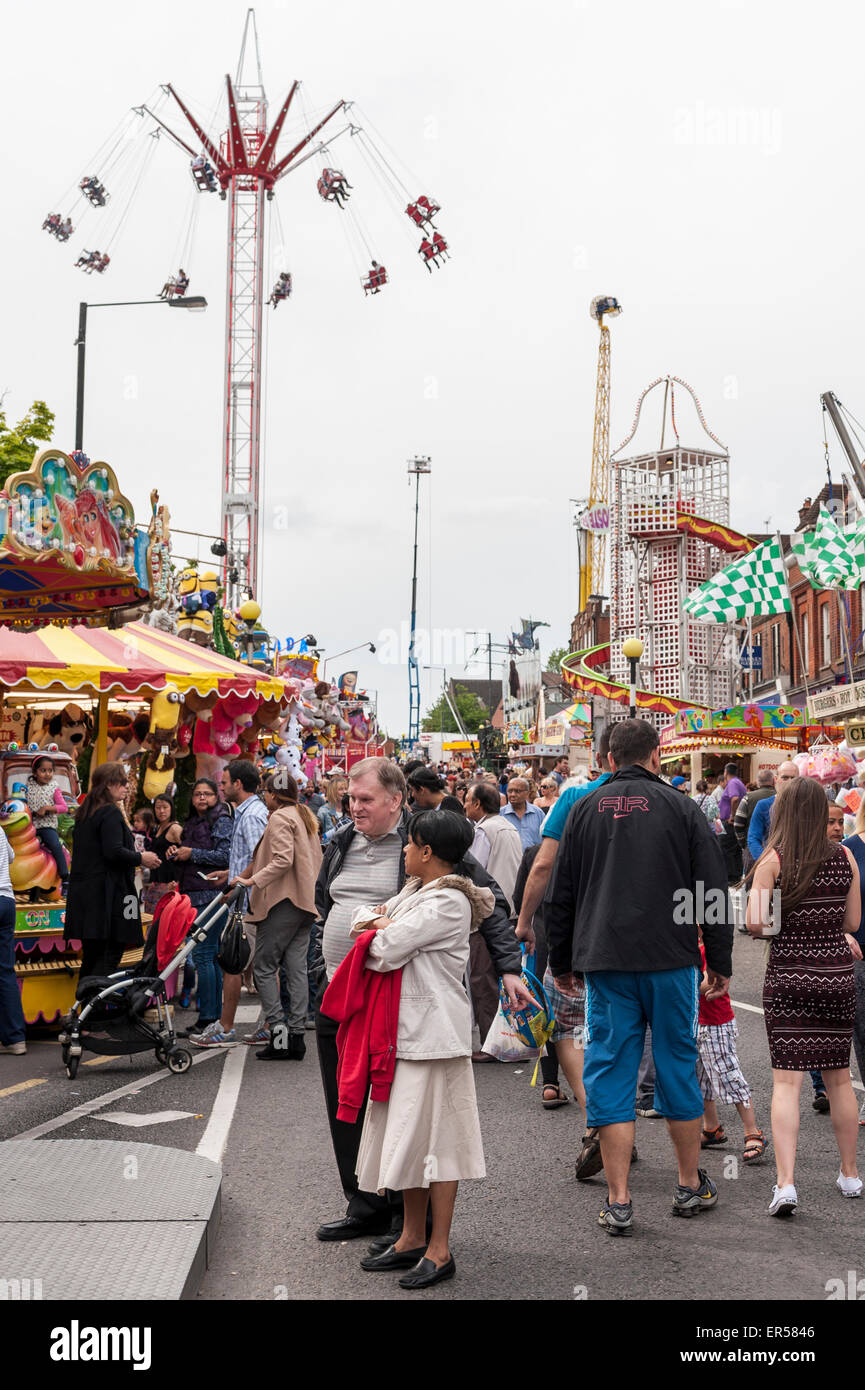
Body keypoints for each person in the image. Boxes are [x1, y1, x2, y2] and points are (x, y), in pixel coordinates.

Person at [313, 757, 528, 1245]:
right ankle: (363, 1202)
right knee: (348, 1106)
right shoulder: (341, 840)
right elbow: (333, 904)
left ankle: (405, 1224)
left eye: (365, 799)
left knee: (401, 1111)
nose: (354, 807)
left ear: (396, 800)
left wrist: (510, 966)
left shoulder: (428, 846)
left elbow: (484, 897)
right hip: (341, 993)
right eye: (350, 797)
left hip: (394, 1007)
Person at [545, 719, 732, 1236]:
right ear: (656, 756)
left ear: (608, 759)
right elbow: (710, 889)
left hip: (605, 961)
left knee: (610, 1068)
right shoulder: (681, 807)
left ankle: (620, 1198)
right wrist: (718, 960)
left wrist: (561, 962)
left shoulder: (582, 809)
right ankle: (688, 1183)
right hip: (671, 960)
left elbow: (561, 894)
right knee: (676, 1063)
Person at [339, 810, 488, 1288]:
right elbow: (362, 922)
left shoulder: (447, 903)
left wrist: (378, 926)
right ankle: (409, 1238)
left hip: (434, 1038)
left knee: (440, 1146)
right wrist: (377, 923)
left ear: (427, 852)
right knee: (407, 1139)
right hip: (404, 1035)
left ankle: (440, 1249)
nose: (402, 850)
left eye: (409, 844)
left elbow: (381, 950)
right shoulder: (415, 893)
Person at [747, 775, 863, 1215]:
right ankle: (850, 1174)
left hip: (789, 975)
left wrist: (783, 912)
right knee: (838, 1078)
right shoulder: (846, 857)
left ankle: (786, 1184)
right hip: (835, 973)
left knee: (786, 1082)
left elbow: (759, 925)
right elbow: (851, 922)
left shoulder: (772, 860)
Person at [233, 773, 323, 1060]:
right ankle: (295, 1037)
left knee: (263, 966)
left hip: (283, 900)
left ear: (273, 794)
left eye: (266, 792)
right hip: (305, 902)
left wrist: (253, 880)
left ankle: (279, 1033)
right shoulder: (303, 814)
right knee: (295, 968)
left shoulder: (280, 818)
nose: (264, 796)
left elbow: (282, 860)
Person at [514, 727, 615, 952]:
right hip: (658, 943)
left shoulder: (573, 797)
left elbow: (544, 865)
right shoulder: (674, 800)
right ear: (655, 757)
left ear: (600, 759)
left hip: (587, 931)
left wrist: (524, 923)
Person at [193, 761, 269, 1048]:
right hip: (246, 897)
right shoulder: (249, 812)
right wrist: (230, 873)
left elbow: (259, 858)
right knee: (259, 965)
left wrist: (237, 883)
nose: (221, 788)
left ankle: (226, 1027)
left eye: (224, 783)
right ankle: (270, 1024)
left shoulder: (251, 817)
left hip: (247, 902)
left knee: (233, 963)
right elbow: (250, 858)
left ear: (238, 784)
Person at [64, 763, 160, 980]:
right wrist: (141, 858)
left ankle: (85, 1008)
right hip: (109, 896)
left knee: (92, 955)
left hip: (87, 896)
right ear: (109, 784)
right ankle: (94, 1007)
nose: (126, 787)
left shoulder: (85, 813)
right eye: (122, 782)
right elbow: (113, 851)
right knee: (109, 955)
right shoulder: (109, 813)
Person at [167, 779, 232, 1037]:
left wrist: (190, 853)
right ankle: (210, 1016)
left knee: (204, 956)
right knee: (207, 957)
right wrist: (177, 852)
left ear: (216, 797)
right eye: (197, 794)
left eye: (207, 794)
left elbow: (225, 856)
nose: (202, 798)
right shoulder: (192, 822)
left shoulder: (221, 820)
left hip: (211, 896)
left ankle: (207, 1018)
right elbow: (190, 853)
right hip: (192, 895)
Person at [696, 935, 766, 1162]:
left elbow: (711, 982)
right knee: (700, 1078)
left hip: (715, 1024)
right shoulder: (686, 947)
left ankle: (752, 1132)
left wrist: (679, 982)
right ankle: (712, 1128)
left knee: (729, 1076)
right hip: (696, 1023)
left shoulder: (709, 949)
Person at [842, 801, 865, 1125]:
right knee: (862, 1029)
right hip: (860, 952)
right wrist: (842, 933)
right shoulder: (849, 849)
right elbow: (833, 898)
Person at [0, 822, 26, 1056]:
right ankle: (15, 1039)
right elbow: (11, 856)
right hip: (7, 901)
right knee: (6, 971)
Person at [26, 755, 69, 895]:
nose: (47, 774)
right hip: (29, 827)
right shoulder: (28, 787)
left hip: (46, 826)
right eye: (43, 770)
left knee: (55, 845)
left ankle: (65, 877)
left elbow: (63, 807)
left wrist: (47, 808)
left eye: (50, 771)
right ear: (35, 772)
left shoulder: (54, 788)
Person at [747, 761, 800, 862]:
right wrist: (765, 861)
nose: (789, 781)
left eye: (793, 778)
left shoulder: (806, 804)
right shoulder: (763, 805)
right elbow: (753, 838)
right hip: (773, 863)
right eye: (785, 777)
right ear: (776, 779)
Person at [141, 794, 182, 917]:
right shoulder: (158, 828)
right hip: (155, 883)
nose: (161, 811)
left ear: (171, 808)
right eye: (158, 807)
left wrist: (178, 882)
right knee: (151, 923)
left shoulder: (175, 828)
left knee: (162, 924)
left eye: (165, 807)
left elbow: (188, 853)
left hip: (169, 885)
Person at [718, 762, 747, 884]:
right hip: (733, 823)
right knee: (734, 850)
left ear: (725, 772)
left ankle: (731, 877)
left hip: (730, 823)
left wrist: (732, 816)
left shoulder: (733, 783)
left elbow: (734, 799)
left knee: (727, 849)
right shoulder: (738, 782)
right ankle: (735, 876)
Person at [500, 776, 546, 850]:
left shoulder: (538, 813)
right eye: (510, 791)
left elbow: (545, 839)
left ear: (527, 793)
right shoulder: (500, 815)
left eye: (517, 791)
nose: (513, 794)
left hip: (533, 860)